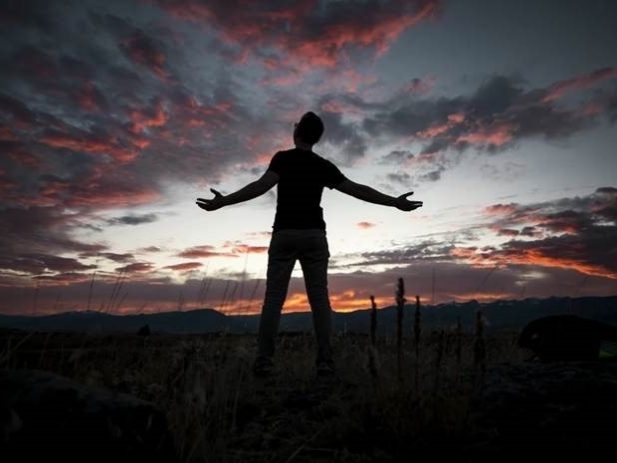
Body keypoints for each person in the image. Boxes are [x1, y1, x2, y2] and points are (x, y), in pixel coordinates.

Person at [196, 111, 423, 377]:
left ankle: (264, 361)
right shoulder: (322, 165)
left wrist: (224, 201)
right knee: (319, 301)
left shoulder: (282, 159)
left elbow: (260, 187)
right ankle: (325, 362)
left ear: (297, 132)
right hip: (314, 236)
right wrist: (394, 202)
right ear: (316, 137)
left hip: (284, 235)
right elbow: (358, 190)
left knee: (273, 300)